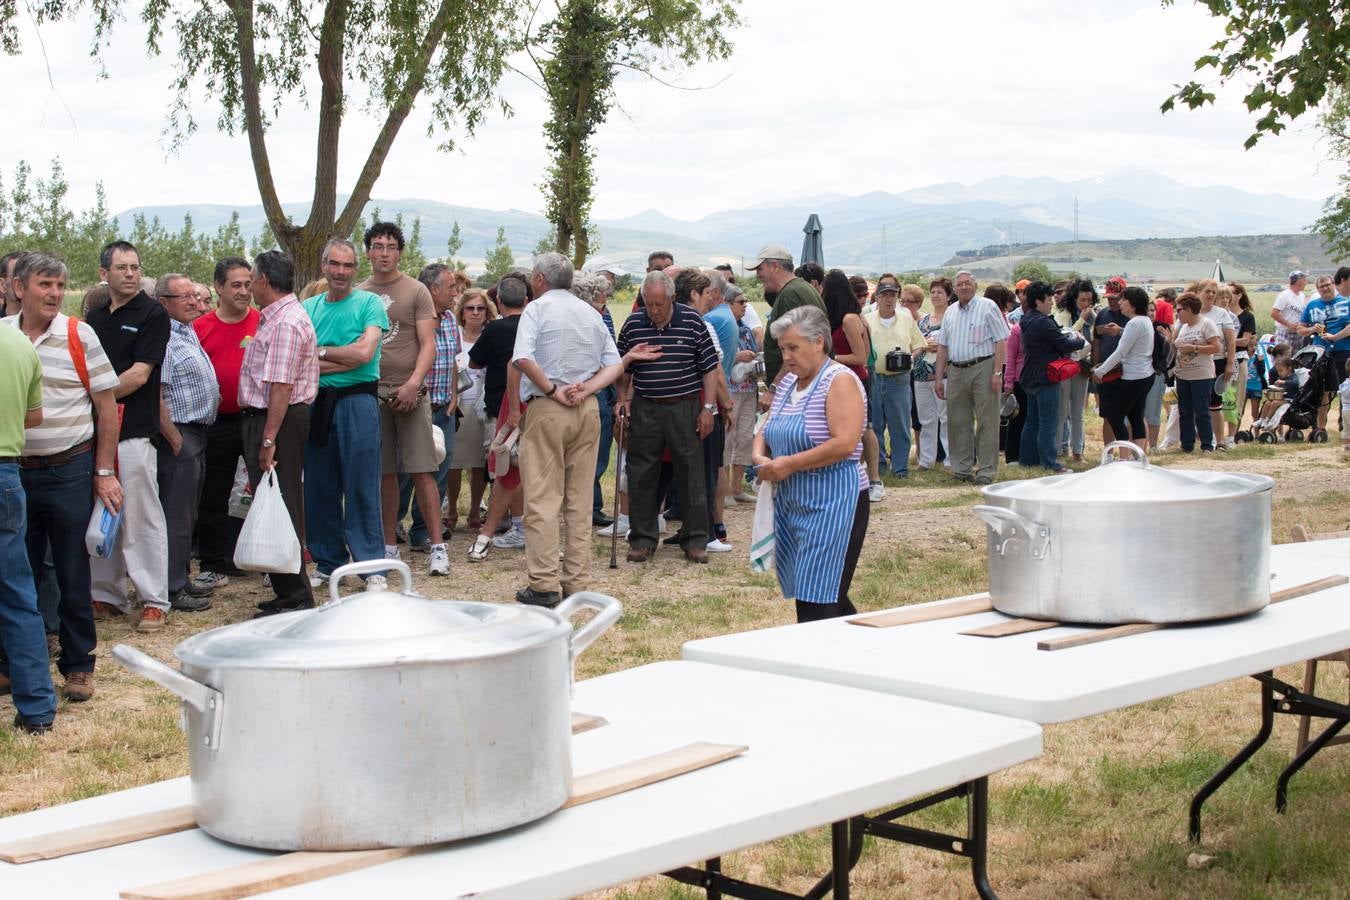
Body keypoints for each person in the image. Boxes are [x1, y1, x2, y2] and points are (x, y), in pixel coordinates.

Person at [3, 252, 121, 704]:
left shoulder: (79, 334)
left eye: (59, 286)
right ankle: (15, 666)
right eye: (44, 285)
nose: (54, 294)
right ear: (19, 289)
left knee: (72, 571)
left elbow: (107, 406)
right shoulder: (3, 337)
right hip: (14, 471)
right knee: (19, 573)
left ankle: (78, 666)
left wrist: (104, 471)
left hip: (68, 468)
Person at [511, 253, 627, 606]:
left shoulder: (537, 310)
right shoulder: (591, 312)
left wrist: (550, 389)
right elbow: (616, 365)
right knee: (578, 500)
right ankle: (577, 581)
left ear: (540, 279)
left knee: (543, 499)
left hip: (549, 407)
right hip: (587, 408)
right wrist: (589, 389)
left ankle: (544, 583)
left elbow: (523, 358)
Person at [751, 305, 869, 624]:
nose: (787, 356)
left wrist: (789, 463)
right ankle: (866, 652)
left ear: (818, 342)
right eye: (783, 349)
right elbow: (767, 425)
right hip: (794, 500)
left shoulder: (839, 381)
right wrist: (760, 455)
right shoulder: (790, 381)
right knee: (824, 593)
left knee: (817, 597)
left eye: (793, 348)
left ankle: (821, 664)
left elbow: (845, 443)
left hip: (835, 501)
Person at [85, 240, 173, 632]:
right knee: (103, 511)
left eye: (135, 267)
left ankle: (154, 598)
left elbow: (140, 374)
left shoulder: (153, 313)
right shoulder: (95, 317)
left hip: (135, 430)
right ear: (105, 273)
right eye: (122, 267)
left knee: (141, 515)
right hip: (97, 431)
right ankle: (106, 593)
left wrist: (95, 397)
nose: (131, 274)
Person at [356, 222, 447, 577]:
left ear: (400, 252)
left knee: (423, 470)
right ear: (367, 252)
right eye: (377, 246)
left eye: (390, 246)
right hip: (370, 392)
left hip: (410, 391)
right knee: (384, 475)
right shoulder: (359, 293)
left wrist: (414, 384)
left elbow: (428, 343)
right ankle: (388, 546)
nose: (383, 252)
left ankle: (438, 547)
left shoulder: (417, 291)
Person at [617, 270, 722, 564]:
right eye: (648, 304)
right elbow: (622, 368)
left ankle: (695, 540)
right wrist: (623, 401)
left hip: (684, 406)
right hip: (646, 407)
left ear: (672, 299)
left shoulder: (692, 321)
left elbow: (710, 367)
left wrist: (708, 408)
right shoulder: (634, 323)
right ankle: (642, 539)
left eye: (659, 305)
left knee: (691, 473)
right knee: (641, 473)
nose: (653, 311)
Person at [302, 238, 389, 588]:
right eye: (334, 264)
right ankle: (327, 562)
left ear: (356, 268)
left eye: (348, 265)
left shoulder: (370, 304)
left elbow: (364, 355)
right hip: (316, 404)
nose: (341, 272)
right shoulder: (308, 307)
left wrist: (320, 355)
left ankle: (372, 568)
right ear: (324, 265)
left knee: (362, 485)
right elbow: (300, 361)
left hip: (358, 403)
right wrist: (339, 355)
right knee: (320, 487)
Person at [242, 250, 320, 612]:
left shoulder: (285, 322)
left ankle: (297, 594)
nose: (249, 287)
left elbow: (281, 386)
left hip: (280, 419)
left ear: (264, 280)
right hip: (275, 418)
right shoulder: (276, 316)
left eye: (252, 278)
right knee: (277, 498)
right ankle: (288, 588)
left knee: (283, 500)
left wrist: (269, 437)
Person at [0, 316, 57, 733]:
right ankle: (37, 707)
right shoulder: (19, 344)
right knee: (18, 594)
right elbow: (33, 417)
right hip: (7, 474)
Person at [154, 272, 220, 612]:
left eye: (195, 296)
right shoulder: (163, 337)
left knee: (188, 513)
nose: (195, 302)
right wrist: (176, 439)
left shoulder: (187, 331)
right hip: (180, 434)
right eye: (186, 298)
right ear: (164, 302)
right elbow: (157, 396)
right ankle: (171, 586)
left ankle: (181, 577)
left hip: (197, 433)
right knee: (176, 516)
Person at [192, 256, 259, 591]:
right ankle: (213, 563)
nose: (244, 291)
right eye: (236, 285)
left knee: (264, 489)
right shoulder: (200, 328)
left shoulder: (263, 323)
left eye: (248, 284)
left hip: (254, 418)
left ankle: (267, 560)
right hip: (216, 422)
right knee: (213, 492)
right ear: (218, 287)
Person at [466, 278, 529, 558]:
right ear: (526, 301)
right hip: (533, 402)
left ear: (499, 302)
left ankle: (516, 524)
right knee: (519, 468)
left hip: (502, 405)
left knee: (504, 468)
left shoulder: (494, 329)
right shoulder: (532, 326)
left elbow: (474, 361)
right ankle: (514, 521)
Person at [402, 263, 461, 553]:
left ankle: (422, 532)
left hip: (444, 409)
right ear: (432, 289)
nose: (455, 292)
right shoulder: (411, 319)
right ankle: (391, 527)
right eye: (450, 287)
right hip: (415, 407)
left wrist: (454, 395)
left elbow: (453, 361)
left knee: (439, 469)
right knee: (405, 471)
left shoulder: (450, 319)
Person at [934, 271, 1008, 484]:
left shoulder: (988, 307)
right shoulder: (950, 312)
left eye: (968, 283)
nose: (964, 287)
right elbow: (943, 346)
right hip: (956, 370)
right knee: (958, 421)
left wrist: (997, 372)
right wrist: (939, 378)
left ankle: (986, 470)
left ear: (975, 286)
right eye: (960, 284)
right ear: (955, 289)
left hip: (983, 366)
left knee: (987, 421)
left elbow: (1001, 340)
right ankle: (962, 469)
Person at [864, 279, 927, 487]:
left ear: (897, 298)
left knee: (900, 424)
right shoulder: (867, 318)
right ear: (878, 298)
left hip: (899, 378)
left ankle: (900, 468)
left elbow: (919, 344)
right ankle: (880, 465)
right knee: (876, 423)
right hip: (875, 376)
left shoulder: (906, 317)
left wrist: (909, 358)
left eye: (892, 295)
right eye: (884, 295)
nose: (888, 299)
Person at [1017, 281, 1084, 471]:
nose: (1051, 304)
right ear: (1038, 302)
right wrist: (1078, 341)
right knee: (1048, 422)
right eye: (1048, 300)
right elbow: (1063, 343)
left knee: (1032, 421)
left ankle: (1028, 460)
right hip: (1045, 377)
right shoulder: (1043, 322)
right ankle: (1049, 462)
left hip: (1030, 376)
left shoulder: (1027, 318)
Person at [752, 245, 826, 402]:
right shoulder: (801, 288)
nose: (757, 275)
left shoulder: (790, 294)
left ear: (775, 266)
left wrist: (774, 388)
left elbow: (796, 349)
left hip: (797, 388)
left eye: (760, 269)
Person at [448, 289, 495, 534]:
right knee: (453, 464)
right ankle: (452, 509)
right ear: (462, 312)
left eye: (480, 308)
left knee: (478, 465)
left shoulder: (490, 335)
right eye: (470, 308)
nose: (475, 313)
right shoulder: (453, 335)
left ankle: (476, 510)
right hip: (456, 406)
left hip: (480, 407)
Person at [1091, 286, 1154, 450]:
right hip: (1145, 375)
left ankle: (1125, 457)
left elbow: (1120, 353)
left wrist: (1100, 371)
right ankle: (1137, 455)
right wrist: (1120, 331)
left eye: (1123, 299)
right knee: (1135, 416)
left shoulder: (1134, 323)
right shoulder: (1144, 320)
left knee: (1114, 415)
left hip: (1134, 377)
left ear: (1132, 303)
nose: (1120, 303)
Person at [1173, 293, 1223, 454]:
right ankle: (1186, 444)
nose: (1177, 312)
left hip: (1201, 375)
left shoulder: (1206, 324)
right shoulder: (1184, 328)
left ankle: (1207, 445)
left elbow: (1217, 347)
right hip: (1183, 375)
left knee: (1202, 411)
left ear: (1189, 309)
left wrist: (1195, 348)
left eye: (1179, 309)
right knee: (1185, 411)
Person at [724, 288, 759, 503]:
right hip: (730, 389)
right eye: (740, 301)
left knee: (746, 437)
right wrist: (737, 356)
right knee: (728, 437)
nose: (745, 305)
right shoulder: (724, 327)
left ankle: (737, 488)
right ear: (728, 304)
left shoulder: (745, 329)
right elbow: (716, 355)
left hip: (749, 387)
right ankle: (725, 489)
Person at [1056, 280, 1096, 461]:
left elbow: (1095, 340)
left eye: (1089, 300)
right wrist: (1082, 319)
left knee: (1078, 412)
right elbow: (1064, 335)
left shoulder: (1094, 316)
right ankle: (1059, 449)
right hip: (1065, 366)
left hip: (1082, 367)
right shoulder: (1064, 313)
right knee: (1062, 411)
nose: (1086, 304)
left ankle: (1078, 451)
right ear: (1074, 299)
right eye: (1082, 300)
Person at [913, 279, 950, 470]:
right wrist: (923, 345)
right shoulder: (924, 320)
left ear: (948, 296)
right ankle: (926, 460)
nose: (935, 295)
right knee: (926, 420)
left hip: (943, 374)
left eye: (940, 292)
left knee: (946, 418)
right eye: (933, 292)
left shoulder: (952, 318)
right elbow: (915, 343)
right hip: (921, 374)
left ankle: (950, 459)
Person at [1197, 279, 1237, 449]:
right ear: (1199, 292)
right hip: (1197, 363)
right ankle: (1203, 439)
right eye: (1208, 291)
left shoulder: (1221, 314)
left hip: (1217, 361)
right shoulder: (1193, 312)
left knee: (1215, 403)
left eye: (1214, 292)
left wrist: (1230, 363)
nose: (1211, 295)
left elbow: (1230, 340)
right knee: (1199, 404)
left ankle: (1220, 441)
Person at [1092, 277, 1130, 445]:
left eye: (1115, 298)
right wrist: (1095, 364)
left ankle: (1129, 452)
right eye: (1109, 298)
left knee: (1128, 414)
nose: (1112, 302)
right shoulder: (1102, 314)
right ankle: (1108, 451)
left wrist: (1119, 331)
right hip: (1106, 370)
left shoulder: (1131, 315)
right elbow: (1096, 341)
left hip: (1127, 370)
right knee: (1107, 414)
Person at [1272, 270, 1309, 351]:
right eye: (1304, 280)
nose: (1306, 282)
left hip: (1298, 333)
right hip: (1285, 332)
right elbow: (1274, 313)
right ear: (1298, 281)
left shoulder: (1301, 295)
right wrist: (1289, 325)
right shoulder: (1285, 295)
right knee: (1283, 358)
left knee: (1295, 359)